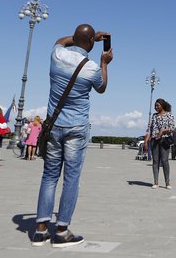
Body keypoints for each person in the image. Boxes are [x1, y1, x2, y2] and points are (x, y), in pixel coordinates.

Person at [33, 24, 112, 248]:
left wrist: (86, 39)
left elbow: (61, 39)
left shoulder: (56, 55)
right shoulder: (92, 68)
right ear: (90, 44)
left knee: (49, 176)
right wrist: (105, 63)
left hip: (54, 124)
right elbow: (102, 87)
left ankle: (40, 230)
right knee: (71, 179)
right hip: (76, 128)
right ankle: (61, 231)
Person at [145, 99, 176, 189]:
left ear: (162, 105)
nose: (156, 107)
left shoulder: (169, 115)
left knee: (165, 160)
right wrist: (146, 142)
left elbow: (173, 128)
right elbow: (149, 129)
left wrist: (163, 131)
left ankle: (167, 182)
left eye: (157, 105)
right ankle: (156, 182)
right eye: (155, 106)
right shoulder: (154, 116)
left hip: (165, 141)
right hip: (154, 140)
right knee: (155, 161)